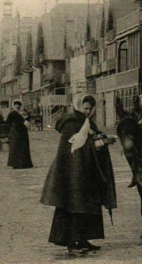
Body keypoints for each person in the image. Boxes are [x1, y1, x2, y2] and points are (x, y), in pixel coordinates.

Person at [40, 95, 116, 255]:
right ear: (78, 107)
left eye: (90, 109)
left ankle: (83, 239)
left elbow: (92, 136)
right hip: (72, 174)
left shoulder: (87, 122)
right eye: (85, 108)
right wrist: (101, 142)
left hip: (85, 172)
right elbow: (76, 147)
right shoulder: (71, 123)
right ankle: (71, 243)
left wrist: (102, 138)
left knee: (86, 206)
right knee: (73, 207)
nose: (87, 111)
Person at [6, 101, 33, 169]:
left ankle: (25, 164)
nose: (17, 107)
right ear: (14, 106)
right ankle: (16, 164)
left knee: (24, 147)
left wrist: (26, 117)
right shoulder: (12, 114)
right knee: (16, 148)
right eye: (16, 106)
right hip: (16, 133)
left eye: (19, 106)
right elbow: (8, 123)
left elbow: (28, 119)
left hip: (23, 133)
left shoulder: (23, 113)